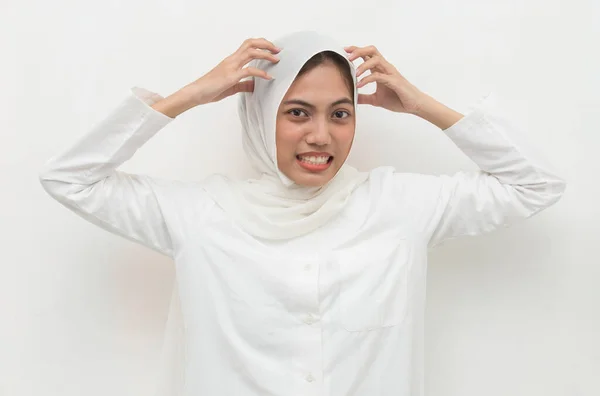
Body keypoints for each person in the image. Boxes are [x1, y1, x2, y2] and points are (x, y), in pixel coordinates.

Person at [38, 30, 566, 396]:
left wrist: (423, 104)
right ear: (261, 114)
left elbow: (536, 184)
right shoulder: (202, 216)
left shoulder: (399, 207)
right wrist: (194, 94)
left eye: (340, 113)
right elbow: (70, 178)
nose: (321, 135)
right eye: (296, 113)